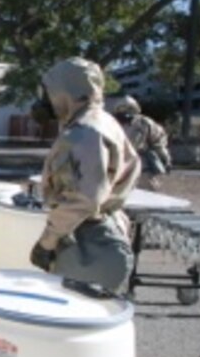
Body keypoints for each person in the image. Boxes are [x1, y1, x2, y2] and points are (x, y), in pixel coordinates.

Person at [29, 58, 141, 293]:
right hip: (97, 232)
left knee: (68, 318)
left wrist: (47, 241)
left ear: (64, 92)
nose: (45, 101)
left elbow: (85, 199)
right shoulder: (103, 122)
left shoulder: (85, 133)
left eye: (49, 93)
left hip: (88, 242)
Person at [112, 96, 171, 190]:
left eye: (128, 109)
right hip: (119, 161)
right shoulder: (112, 124)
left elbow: (158, 140)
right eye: (122, 110)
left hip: (140, 162)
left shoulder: (144, 123)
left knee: (146, 189)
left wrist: (164, 157)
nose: (125, 113)